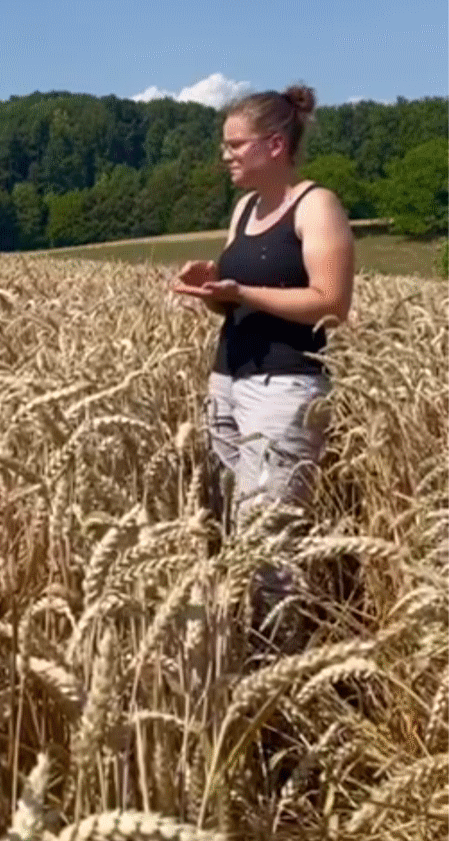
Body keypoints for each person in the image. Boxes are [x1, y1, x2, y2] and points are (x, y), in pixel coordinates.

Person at [173, 85, 355, 651]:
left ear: (274, 144)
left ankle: (283, 662)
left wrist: (242, 289)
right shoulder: (244, 209)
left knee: (270, 535)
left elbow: (331, 302)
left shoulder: (316, 205)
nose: (225, 155)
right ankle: (246, 650)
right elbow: (233, 301)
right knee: (235, 523)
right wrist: (209, 290)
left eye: (236, 144)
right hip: (228, 380)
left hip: (285, 386)